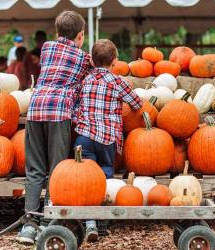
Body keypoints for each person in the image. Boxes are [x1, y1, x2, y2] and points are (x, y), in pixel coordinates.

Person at [16, 10, 93, 245]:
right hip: (59, 113)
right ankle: (50, 222)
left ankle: (29, 225)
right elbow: (92, 72)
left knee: (35, 169)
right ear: (80, 36)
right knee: (57, 170)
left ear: (57, 32)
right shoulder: (82, 58)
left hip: (36, 109)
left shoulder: (47, 48)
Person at [74, 39, 142, 242]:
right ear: (115, 61)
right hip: (106, 138)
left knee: (87, 180)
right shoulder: (117, 81)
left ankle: (90, 222)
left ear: (93, 62)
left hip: (84, 137)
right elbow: (137, 103)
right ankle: (101, 221)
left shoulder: (85, 80)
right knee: (104, 177)